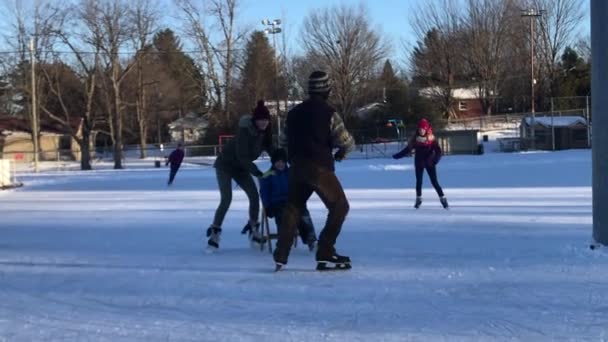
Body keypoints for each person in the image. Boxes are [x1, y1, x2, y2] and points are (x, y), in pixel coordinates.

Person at [273, 70, 355, 271]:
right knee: (340, 206)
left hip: (296, 167)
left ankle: (281, 254)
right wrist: (342, 153)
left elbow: (282, 142)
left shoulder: (293, 114)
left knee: (293, 207)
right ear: (327, 89)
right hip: (319, 167)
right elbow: (346, 141)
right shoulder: (329, 113)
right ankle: (326, 250)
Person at [206, 100, 275, 250]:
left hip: (242, 168)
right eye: (260, 120)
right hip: (225, 165)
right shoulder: (245, 131)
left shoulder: (265, 134)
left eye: (266, 120)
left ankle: (254, 228)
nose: (263, 123)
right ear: (255, 120)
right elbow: (243, 156)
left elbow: (272, 150)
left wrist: (281, 161)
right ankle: (215, 232)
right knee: (226, 199)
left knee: (254, 195)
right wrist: (257, 173)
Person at [259, 148, 317, 251]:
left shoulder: (291, 172)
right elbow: (264, 193)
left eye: (282, 162)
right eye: (278, 162)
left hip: (292, 200)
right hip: (276, 203)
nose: (280, 164)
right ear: (273, 162)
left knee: (303, 213)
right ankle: (283, 242)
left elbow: (299, 187)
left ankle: (311, 239)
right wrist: (267, 206)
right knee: (284, 216)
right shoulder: (268, 175)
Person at [393, 118, 448, 209]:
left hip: (430, 163)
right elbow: (407, 150)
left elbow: (438, 151)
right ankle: (418, 200)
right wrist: (397, 156)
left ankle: (443, 199)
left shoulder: (431, 139)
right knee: (419, 182)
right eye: (419, 129)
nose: (421, 131)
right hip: (419, 163)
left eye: (422, 129)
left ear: (426, 129)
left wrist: (435, 160)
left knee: (434, 182)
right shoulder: (415, 140)